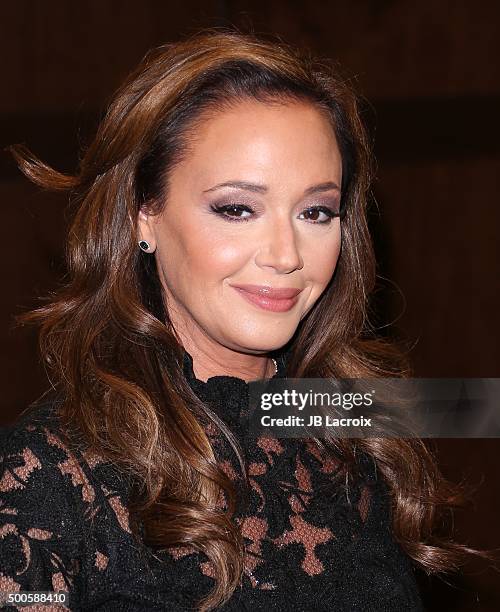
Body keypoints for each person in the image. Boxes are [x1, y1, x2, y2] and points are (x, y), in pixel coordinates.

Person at [0, 28, 489, 611]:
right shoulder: (46, 468)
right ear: (143, 216)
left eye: (315, 211)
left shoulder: (352, 417)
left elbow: (472, 405)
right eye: (237, 209)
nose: (285, 254)